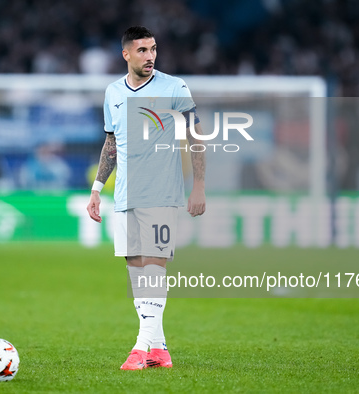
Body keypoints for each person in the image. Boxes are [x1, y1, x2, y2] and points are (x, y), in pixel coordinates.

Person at [86, 26, 206, 371]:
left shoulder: (174, 87)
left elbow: (196, 134)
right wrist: (96, 189)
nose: (150, 56)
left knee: (154, 267)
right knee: (137, 270)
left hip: (162, 192)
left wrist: (198, 185)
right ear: (126, 54)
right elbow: (111, 143)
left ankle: (140, 348)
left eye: (153, 49)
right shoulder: (112, 92)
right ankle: (160, 349)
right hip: (125, 193)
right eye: (142, 50)